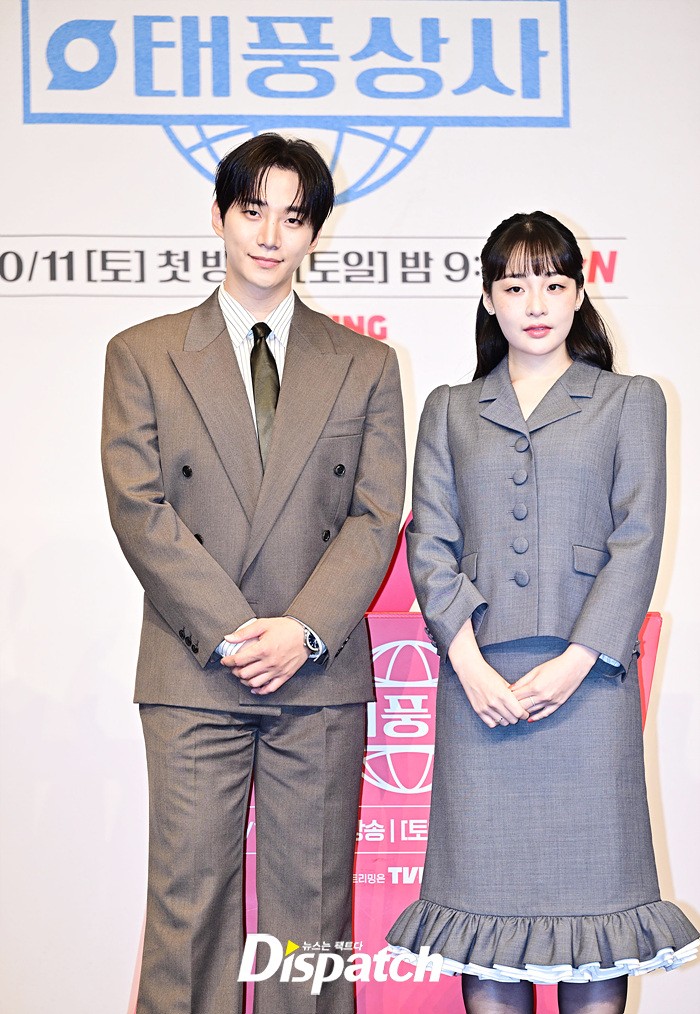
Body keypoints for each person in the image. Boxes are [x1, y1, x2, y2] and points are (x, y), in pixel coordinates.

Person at [102, 133, 405, 1014]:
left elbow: (375, 516)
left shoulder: (365, 364)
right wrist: (235, 633)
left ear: (315, 232)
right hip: (195, 667)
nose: (270, 235)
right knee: (188, 914)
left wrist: (301, 632)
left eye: (293, 217)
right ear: (218, 216)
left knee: (311, 923)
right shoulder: (144, 353)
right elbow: (139, 507)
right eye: (252, 210)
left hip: (317, 672)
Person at [387, 212, 698, 1013]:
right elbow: (430, 544)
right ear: (488, 298)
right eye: (515, 285)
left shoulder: (631, 400)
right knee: (485, 924)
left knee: (597, 917)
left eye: (554, 285)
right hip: (480, 687)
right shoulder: (450, 409)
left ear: (580, 293)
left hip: (589, 689)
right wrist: (467, 664)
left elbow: (639, 538)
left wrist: (579, 659)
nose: (535, 303)